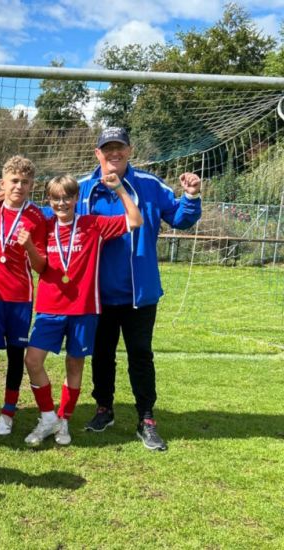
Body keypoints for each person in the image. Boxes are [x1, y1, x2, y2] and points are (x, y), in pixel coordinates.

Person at [78, 128, 201, 451]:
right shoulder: (82, 188)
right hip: (97, 294)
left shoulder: (150, 185)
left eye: (119, 148)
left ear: (130, 151)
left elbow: (180, 218)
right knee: (101, 355)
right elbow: (54, 213)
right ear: (98, 153)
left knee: (141, 355)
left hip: (139, 293)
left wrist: (190, 197)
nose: (114, 154)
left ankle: (146, 418)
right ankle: (104, 408)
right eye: (107, 148)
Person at [23, 173, 143, 447]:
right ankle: (48, 417)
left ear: (77, 198)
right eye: (56, 198)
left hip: (84, 308)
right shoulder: (45, 227)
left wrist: (120, 189)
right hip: (50, 307)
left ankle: (64, 419)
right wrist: (29, 246)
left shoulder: (93, 224)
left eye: (67, 197)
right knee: (33, 360)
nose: (61, 203)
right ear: (49, 200)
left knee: (74, 364)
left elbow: (136, 220)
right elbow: (40, 267)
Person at [0, 155, 47, 436]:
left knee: (16, 357)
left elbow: (41, 267)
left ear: (32, 185)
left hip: (19, 298)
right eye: (14, 180)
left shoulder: (36, 217)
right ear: (2, 183)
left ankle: (8, 412)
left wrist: (29, 247)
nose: (19, 186)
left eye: (25, 182)